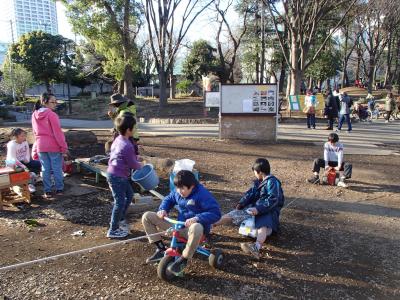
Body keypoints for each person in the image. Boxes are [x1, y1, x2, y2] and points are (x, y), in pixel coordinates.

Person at [142, 170, 221, 276]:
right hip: (179, 225)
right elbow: (168, 199)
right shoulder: (178, 190)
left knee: (196, 227)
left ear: (192, 186)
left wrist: (197, 218)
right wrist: (163, 209)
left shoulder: (202, 195)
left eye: (182, 188)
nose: (179, 191)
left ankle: (184, 258)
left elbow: (216, 213)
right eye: (177, 188)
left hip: (195, 230)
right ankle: (161, 249)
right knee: (147, 216)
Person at [214, 158, 284, 260]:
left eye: (255, 172)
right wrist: (241, 203)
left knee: (263, 224)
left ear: (259, 172)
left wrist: (259, 209)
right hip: (255, 208)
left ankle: (256, 247)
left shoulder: (273, 182)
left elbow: (274, 200)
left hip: (268, 211)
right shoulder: (258, 182)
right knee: (235, 214)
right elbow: (250, 194)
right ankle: (211, 224)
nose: (255, 174)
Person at [106, 114, 142, 239]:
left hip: (117, 174)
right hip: (117, 176)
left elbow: (123, 157)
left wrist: (135, 158)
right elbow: (133, 164)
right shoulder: (127, 145)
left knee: (130, 195)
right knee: (119, 202)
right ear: (128, 130)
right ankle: (113, 229)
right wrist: (140, 164)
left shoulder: (119, 139)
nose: (135, 129)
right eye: (134, 127)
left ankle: (120, 218)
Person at [32, 93, 68, 199]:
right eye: (53, 102)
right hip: (53, 145)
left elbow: (34, 132)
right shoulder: (52, 115)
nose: (55, 104)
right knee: (57, 168)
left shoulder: (34, 114)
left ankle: (47, 191)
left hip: (40, 145)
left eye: (56, 101)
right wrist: (63, 146)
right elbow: (58, 133)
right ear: (44, 102)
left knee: (45, 169)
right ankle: (59, 189)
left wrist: (35, 147)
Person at [6, 128, 41, 193]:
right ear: (16, 137)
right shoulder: (12, 145)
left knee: (38, 164)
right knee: (21, 169)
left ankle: (33, 177)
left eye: (24, 135)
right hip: (12, 162)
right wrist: (23, 166)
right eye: (22, 136)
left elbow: (27, 153)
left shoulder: (25, 142)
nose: (24, 137)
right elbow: (13, 158)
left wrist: (27, 159)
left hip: (22, 161)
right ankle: (28, 184)